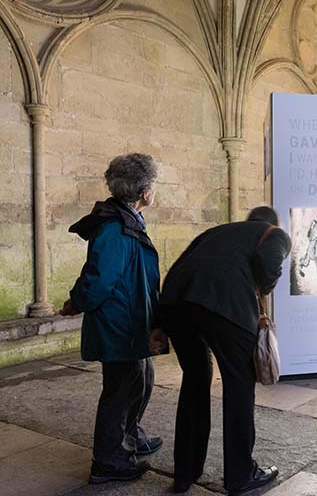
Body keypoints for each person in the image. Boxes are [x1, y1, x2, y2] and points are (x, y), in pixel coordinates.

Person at [149, 206, 291, 495]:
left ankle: (185, 473)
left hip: (178, 307)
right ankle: (241, 476)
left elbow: (177, 269)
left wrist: (160, 322)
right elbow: (268, 264)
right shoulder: (276, 235)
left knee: (196, 381)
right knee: (239, 385)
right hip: (226, 309)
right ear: (272, 224)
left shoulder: (216, 232)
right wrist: (265, 284)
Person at [60, 153, 162, 484]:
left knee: (141, 381)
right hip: (119, 324)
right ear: (145, 192)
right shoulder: (116, 228)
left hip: (133, 321)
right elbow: (99, 278)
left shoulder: (127, 220)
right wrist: (76, 303)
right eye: (154, 185)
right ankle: (108, 462)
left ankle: (130, 438)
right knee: (120, 391)